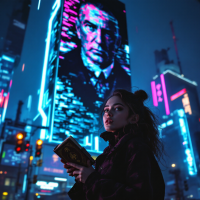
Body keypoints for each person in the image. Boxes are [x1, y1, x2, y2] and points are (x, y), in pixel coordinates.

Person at [61, 89, 165, 200]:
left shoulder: (136, 147)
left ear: (134, 118)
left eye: (118, 108)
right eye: (106, 110)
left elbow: (139, 196)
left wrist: (91, 178)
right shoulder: (109, 151)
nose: (108, 113)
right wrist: (82, 176)